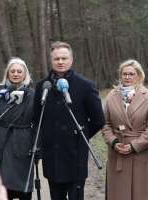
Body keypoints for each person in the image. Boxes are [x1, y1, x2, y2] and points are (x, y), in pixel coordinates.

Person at [33, 41, 105, 200]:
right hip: (52, 157)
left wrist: (80, 135)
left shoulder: (86, 86)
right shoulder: (42, 87)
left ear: (71, 60)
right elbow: (37, 118)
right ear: (51, 60)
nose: (60, 62)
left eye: (64, 58)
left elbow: (98, 120)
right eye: (56, 58)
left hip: (75, 156)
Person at [102, 59, 148, 200]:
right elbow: (104, 123)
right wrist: (114, 142)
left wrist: (134, 146)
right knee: (118, 193)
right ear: (120, 76)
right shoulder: (111, 96)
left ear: (139, 76)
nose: (127, 77)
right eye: (124, 74)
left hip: (139, 154)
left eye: (131, 74)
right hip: (117, 152)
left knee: (139, 193)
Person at [0, 57, 34, 200]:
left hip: (24, 144)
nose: (15, 74)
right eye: (12, 71)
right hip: (3, 143)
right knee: (4, 189)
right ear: (7, 74)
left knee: (24, 188)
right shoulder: (0, 95)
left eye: (19, 71)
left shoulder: (32, 95)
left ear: (25, 74)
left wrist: (37, 149)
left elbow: (39, 123)